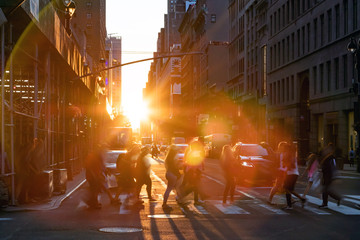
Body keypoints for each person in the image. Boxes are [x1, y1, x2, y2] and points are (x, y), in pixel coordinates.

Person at [178, 139, 206, 205]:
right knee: (194, 187)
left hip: (192, 171)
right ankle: (181, 197)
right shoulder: (194, 152)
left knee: (195, 186)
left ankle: (196, 200)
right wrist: (195, 172)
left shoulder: (191, 152)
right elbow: (193, 163)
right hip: (193, 171)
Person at [282, 143, 306, 210]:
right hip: (292, 174)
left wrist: (286, 164)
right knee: (289, 190)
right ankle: (301, 199)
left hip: (291, 174)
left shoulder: (291, 155)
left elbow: (292, 165)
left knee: (287, 189)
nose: (283, 150)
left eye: (284, 148)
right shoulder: (290, 155)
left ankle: (289, 205)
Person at [318, 143, 342, 209]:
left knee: (325, 189)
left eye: (328, 149)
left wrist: (335, 177)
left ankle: (325, 203)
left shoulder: (331, 158)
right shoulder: (327, 157)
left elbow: (334, 167)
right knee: (326, 190)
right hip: (326, 175)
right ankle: (337, 198)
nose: (326, 150)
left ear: (331, 150)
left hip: (329, 176)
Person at [162, 145, 182, 210]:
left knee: (173, 188)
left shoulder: (168, 157)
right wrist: (181, 165)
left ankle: (179, 199)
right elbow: (176, 167)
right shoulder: (175, 156)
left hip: (168, 173)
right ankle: (165, 204)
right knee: (172, 188)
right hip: (173, 174)